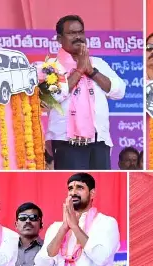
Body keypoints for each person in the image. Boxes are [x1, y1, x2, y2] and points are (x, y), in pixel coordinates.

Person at [45, 15, 126, 170]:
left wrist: (92, 71)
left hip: (98, 139)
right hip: (65, 140)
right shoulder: (51, 66)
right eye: (71, 33)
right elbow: (51, 97)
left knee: (100, 181)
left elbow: (119, 91)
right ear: (59, 39)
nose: (77, 37)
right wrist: (79, 70)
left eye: (81, 32)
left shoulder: (98, 64)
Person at [34, 173, 120, 266]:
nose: (73, 192)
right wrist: (64, 229)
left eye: (80, 188)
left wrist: (75, 227)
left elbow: (101, 257)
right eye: (70, 188)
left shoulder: (106, 223)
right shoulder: (56, 228)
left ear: (92, 193)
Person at [15, 202, 53, 266]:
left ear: (41, 225)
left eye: (33, 218)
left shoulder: (49, 251)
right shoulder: (8, 250)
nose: (28, 221)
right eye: (23, 218)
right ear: (16, 224)